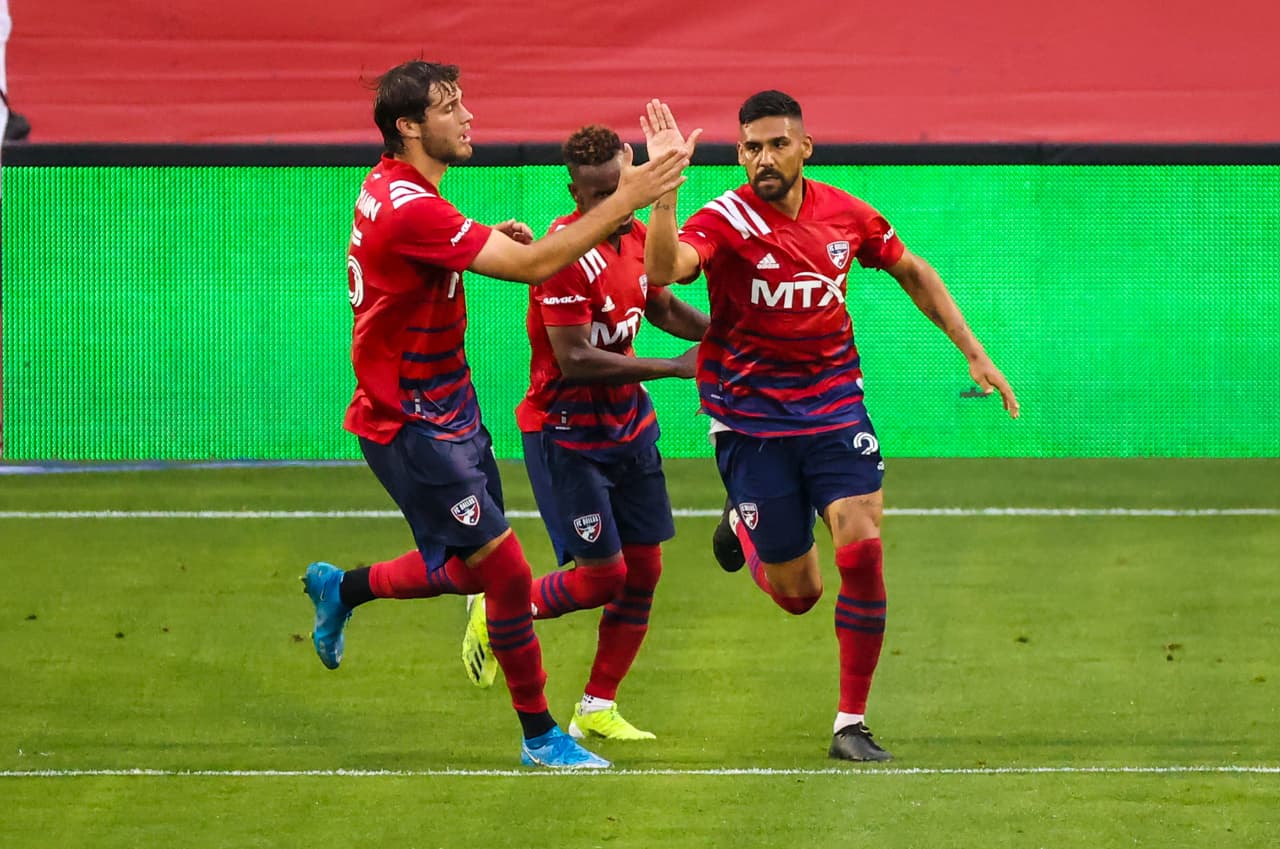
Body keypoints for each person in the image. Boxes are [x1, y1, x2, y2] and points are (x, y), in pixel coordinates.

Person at [301, 60, 691, 770]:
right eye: (451, 107)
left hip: (450, 409)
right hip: (409, 421)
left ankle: (343, 586)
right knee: (508, 574)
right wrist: (634, 191)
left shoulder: (401, 190)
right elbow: (538, 264)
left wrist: (481, 236)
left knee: (477, 570)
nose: (468, 117)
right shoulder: (413, 206)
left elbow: (428, 248)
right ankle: (543, 735)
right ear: (409, 126)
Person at [641, 93, 1019, 762]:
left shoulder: (846, 214)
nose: (763, 157)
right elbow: (664, 271)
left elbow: (912, 270)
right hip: (751, 420)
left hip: (835, 406)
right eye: (751, 147)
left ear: (804, 148)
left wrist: (973, 349)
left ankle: (851, 722)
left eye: (777, 144)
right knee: (800, 595)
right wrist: (665, 193)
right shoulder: (723, 219)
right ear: (739, 154)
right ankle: (742, 527)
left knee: (863, 543)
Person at [460, 124, 709, 743]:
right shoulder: (563, 254)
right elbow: (575, 359)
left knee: (645, 570)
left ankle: (597, 704)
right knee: (603, 577)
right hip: (565, 432)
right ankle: (497, 611)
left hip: (628, 427)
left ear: (632, 169)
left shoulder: (639, 239)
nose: (608, 205)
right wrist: (674, 368)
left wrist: (730, 335)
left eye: (617, 189)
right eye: (594, 196)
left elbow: (662, 306)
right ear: (574, 190)